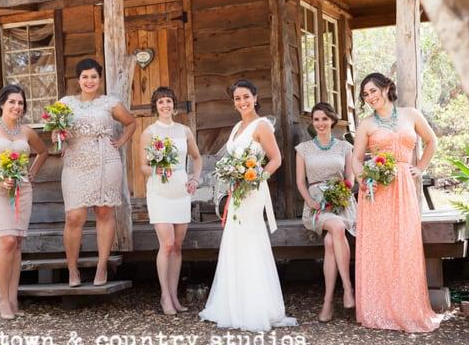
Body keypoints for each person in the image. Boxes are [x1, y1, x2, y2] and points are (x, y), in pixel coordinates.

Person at [199, 79, 297, 332]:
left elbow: (276, 159)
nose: (242, 102)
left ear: (255, 97)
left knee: (250, 241)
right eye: (237, 98)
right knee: (234, 241)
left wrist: (255, 178)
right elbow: (232, 159)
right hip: (236, 191)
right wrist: (233, 175)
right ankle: (234, 304)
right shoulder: (236, 127)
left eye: (246, 97)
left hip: (252, 191)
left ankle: (256, 307)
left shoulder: (261, 125)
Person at [353, 72, 442, 332]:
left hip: (403, 184)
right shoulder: (366, 124)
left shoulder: (410, 114)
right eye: (365, 94)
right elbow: (356, 159)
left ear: (387, 87)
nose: (370, 97)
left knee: (405, 243)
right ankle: (378, 308)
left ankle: (407, 308)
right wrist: (365, 179)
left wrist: (420, 168)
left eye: (373, 91)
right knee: (380, 247)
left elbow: (431, 141)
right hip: (376, 189)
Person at [0, 84, 48, 319]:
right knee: (7, 241)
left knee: (18, 243)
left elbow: (43, 152)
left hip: (21, 189)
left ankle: (13, 298)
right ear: (2, 103)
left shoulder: (26, 131)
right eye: (12, 102)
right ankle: (3, 299)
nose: (16, 106)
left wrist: (31, 173)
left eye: (20, 103)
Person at [55, 58, 136, 287]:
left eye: (93, 77)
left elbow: (131, 123)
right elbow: (56, 130)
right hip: (75, 162)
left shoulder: (110, 103)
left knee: (104, 213)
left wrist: (119, 142)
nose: (89, 81)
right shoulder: (65, 103)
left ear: (99, 80)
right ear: (78, 80)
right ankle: (73, 269)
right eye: (85, 77)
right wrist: (58, 140)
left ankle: (102, 267)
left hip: (105, 161)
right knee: (74, 216)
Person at [139, 87, 202, 315]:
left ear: (174, 105)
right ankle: (165, 297)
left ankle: (175, 296)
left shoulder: (184, 131)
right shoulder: (149, 132)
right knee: (166, 245)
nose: (165, 105)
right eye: (160, 102)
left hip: (180, 191)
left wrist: (195, 178)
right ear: (155, 106)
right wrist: (158, 167)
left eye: (168, 101)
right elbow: (143, 166)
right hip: (159, 192)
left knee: (177, 246)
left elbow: (196, 158)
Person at [295, 102, 356, 322]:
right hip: (317, 205)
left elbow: (350, 178)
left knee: (331, 241)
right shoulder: (303, 149)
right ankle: (348, 289)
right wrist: (309, 200)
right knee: (336, 227)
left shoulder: (344, 147)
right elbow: (300, 181)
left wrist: (342, 192)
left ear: (332, 120)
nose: (320, 123)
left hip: (341, 201)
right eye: (316, 119)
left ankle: (328, 302)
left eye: (324, 119)